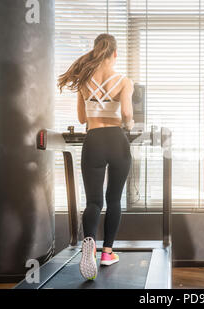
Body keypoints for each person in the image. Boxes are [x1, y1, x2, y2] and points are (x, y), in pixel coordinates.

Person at [57, 33, 134, 280]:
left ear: (96, 51)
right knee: (114, 200)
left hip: (94, 140)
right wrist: (129, 124)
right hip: (117, 140)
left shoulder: (84, 81)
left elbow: (82, 119)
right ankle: (107, 253)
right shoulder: (124, 81)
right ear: (115, 53)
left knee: (93, 202)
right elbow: (126, 113)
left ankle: (88, 243)